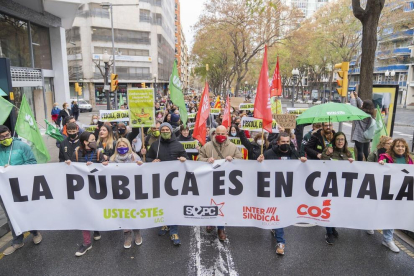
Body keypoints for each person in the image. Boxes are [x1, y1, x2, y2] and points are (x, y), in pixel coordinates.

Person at [259, 132, 307, 255]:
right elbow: (259, 169)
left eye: (287, 142)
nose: (285, 144)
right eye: (283, 142)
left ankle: (275, 228)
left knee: (279, 213)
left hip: (288, 190)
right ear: (278, 142)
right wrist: (259, 161)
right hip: (273, 190)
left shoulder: (295, 154)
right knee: (278, 213)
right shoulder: (269, 154)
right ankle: (281, 242)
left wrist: (303, 161)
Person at [0, 125, 43, 256]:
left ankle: (35, 232)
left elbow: (32, 162)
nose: (4, 139)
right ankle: (17, 240)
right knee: (11, 214)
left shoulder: (22, 146)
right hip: (4, 189)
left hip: (21, 185)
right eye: (1, 137)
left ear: (10, 133)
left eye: (6, 135)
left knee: (27, 210)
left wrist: (13, 168)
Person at [198, 125, 243, 241]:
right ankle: (211, 222)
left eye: (223, 134)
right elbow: (199, 158)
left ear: (227, 134)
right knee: (210, 202)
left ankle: (221, 228)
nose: (220, 136)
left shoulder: (233, 147)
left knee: (222, 204)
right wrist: (206, 160)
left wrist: (233, 160)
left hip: (225, 181)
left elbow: (241, 159)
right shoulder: (207, 146)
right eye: (218, 133)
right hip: (210, 180)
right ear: (214, 134)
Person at [146, 122, 188, 245]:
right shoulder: (155, 145)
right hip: (159, 181)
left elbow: (186, 158)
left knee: (173, 205)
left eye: (167, 130)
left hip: (174, 183)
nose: (164, 131)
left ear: (171, 131)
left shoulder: (178, 145)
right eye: (162, 130)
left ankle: (174, 231)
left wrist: (183, 159)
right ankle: (165, 224)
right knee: (162, 204)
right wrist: (152, 160)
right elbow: (148, 158)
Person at [66, 131, 106, 256]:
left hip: (96, 188)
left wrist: (103, 163)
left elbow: (104, 168)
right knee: (84, 214)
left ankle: (96, 229)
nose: (95, 141)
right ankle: (87, 243)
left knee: (94, 211)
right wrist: (69, 164)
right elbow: (73, 168)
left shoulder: (99, 152)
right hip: (82, 189)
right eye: (92, 139)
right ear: (85, 142)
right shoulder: (77, 153)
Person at [377, 138, 413, 252]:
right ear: (393, 147)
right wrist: (381, 164)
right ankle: (370, 224)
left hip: (401, 193)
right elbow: (379, 167)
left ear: (406, 148)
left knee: (391, 215)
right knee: (379, 211)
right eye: (398, 146)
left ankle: (388, 239)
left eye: (402, 146)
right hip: (387, 191)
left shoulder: (408, 160)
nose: (400, 148)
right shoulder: (386, 157)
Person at [108, 138, 144, 248]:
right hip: (119, 191)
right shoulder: (112, 159)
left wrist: (141, 164)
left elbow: (143, 171)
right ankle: (127, 234)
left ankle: (137, 233)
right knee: (123, 213)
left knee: (134, 212)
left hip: (133, 190)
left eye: (124, 145)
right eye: (119, 146)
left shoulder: (135, 157)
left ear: (128, 146)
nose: (121, 147)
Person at [321, 132, 354, 245]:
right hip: (329, 185)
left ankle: (333, 227)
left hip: (342, 186)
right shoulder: (328, 151)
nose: (340, 141)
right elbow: (321, 164)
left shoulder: (348, 153)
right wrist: (327, 154)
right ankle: (329, 232)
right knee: (328, 209)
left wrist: (352, 162)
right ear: (334, 141)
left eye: (342, 139)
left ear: (345, 142)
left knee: (336, 209)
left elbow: (353, 169)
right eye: (338, 139)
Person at [350, 92, 376, 161]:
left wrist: (353, 98)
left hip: (358, 136)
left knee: (360, 151)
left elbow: (353, 108)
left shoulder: (360, 114)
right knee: (366, 151)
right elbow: (362, 104)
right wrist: (357, 97)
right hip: (366, 136)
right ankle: (368, 163)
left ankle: (360, 164)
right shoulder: (370, 115)